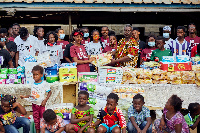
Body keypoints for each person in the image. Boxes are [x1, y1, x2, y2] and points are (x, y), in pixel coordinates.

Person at [20, 65, 52, 133]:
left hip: (41, 105)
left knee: (42, 119)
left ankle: (43, 131)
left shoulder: (44, 84)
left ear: (41, 75)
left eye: (37, 74)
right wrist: (24, 96)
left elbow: (49, 92)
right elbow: (32, 95)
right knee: (36, 120)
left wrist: (45, 100)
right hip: (34, 105)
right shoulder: (33, 84)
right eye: (33, 75)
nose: (35, 76)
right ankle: (37, 131)